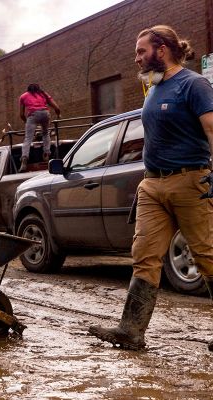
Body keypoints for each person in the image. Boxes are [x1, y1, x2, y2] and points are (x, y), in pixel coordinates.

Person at [89, 25, 213, 351]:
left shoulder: (193, 84)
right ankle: (130, 331)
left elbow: (212, 129)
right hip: (152, 184)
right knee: (144, 257)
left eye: (141, 51)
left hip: (190, 182)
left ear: (162, 48)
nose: (137, 58)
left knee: (207, 255)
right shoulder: (154, 88)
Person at [18, 83, 61, 172]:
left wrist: (26, 121)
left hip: (33, 115)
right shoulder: (43, 94)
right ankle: (46, 153)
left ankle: (24, 158)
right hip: (45, 113)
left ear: (28, 89)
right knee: (45, 133)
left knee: (28, 138)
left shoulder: (23, 96)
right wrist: (58, 114)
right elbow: (56, 107)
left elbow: (21, 114)